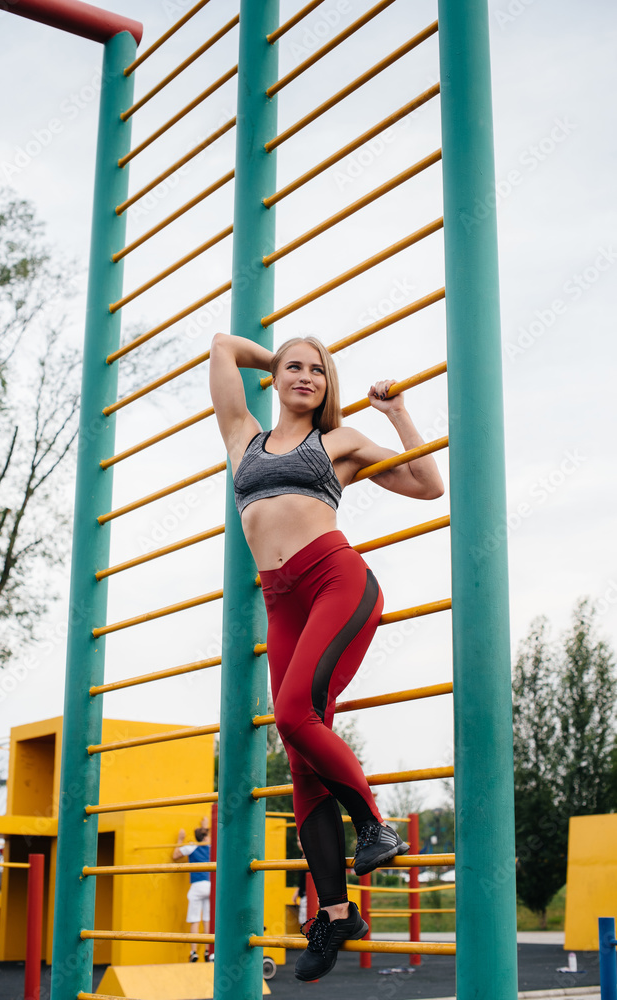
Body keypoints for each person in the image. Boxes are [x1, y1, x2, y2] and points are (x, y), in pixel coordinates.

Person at [209, 332, 444, 981]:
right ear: (276, 378)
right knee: (302, 757)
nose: (305, 376)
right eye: (294, 367)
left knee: (291, 716)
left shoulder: (337, 443)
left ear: (328, 384)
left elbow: (429, 484)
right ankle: (337, 913)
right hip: (280, 601)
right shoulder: (243, 438)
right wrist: (279, 355)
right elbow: (223, 347)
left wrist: (394, 412)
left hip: (335, 581)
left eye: (318, 370)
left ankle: (375, 825)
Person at [173, 820, 212, 963]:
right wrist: (205, 824)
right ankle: (208, 951)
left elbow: (175, 855)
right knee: (207, 919)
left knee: (195, 919)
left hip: (197, 886)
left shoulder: (192, 846)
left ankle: (194, 952)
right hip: (210, 886)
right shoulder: (211, 847)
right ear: (206, 836)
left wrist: (180, 839)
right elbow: (207, 835)